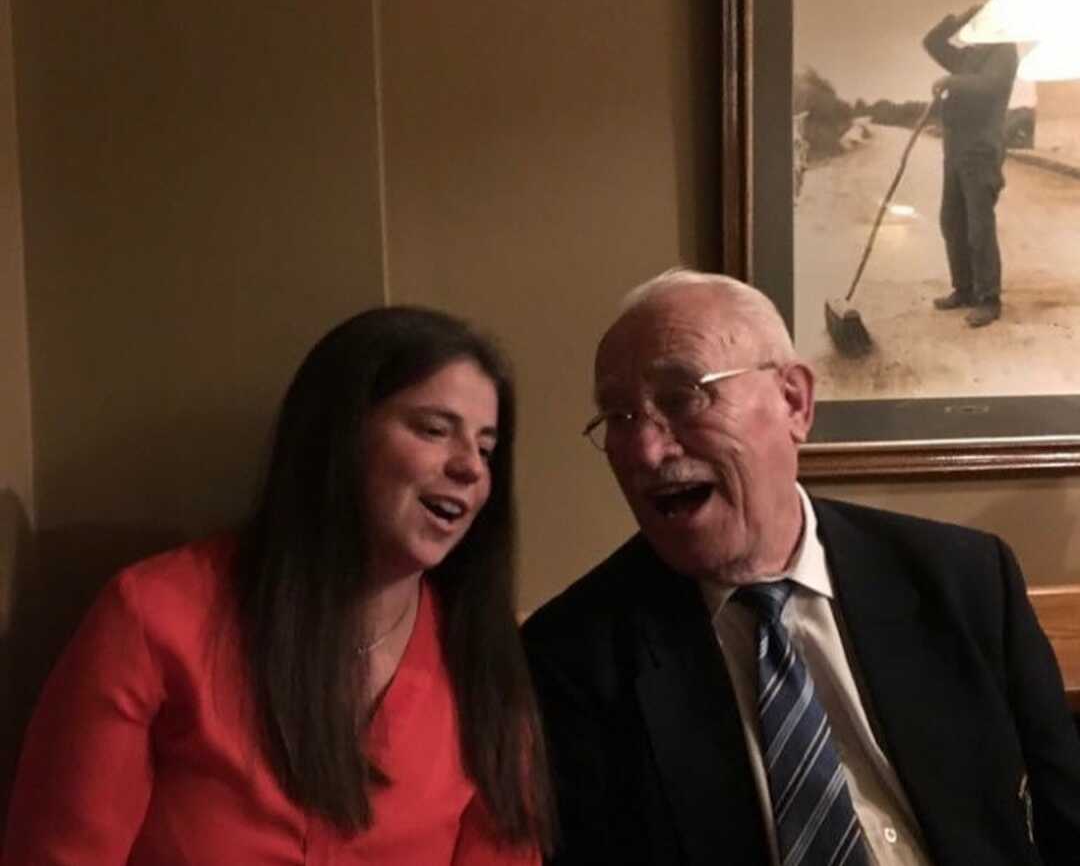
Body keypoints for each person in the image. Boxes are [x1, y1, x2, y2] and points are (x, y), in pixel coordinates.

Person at [523, 269, 1080, 865]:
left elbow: (1066, 818)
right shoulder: (572, 656)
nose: (645, 450)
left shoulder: (965, 579)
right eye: (619, 417)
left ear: (794, 401)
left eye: (683, 397)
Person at [3, 306, 553, 864]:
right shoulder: (153, 617)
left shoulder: (480, 660)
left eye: (486, 448)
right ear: (337, 436)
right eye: (434, 429)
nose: (471, 467)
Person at [923, 5, 1018, 328]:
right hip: (955, 149)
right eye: (973, 23)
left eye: (981, 21)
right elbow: (931, 42)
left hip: (981, 150)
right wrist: (960, 17)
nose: (975, 28)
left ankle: (988, 299)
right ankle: (963, 289)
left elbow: (990, 86)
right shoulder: (966, 56)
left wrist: (952, 80)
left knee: (979, 226)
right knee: (952, 220)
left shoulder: (1004, 51)